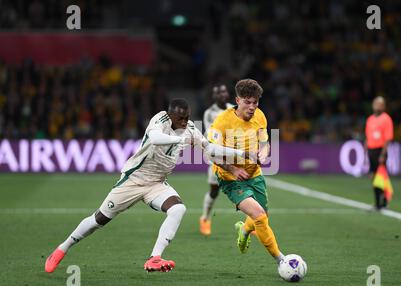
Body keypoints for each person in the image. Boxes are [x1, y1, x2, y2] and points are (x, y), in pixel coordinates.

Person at [45, 99, 251, 273]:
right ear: (170, 116)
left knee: (178, 208)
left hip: (156, 184)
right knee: (98, 219)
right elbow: (154, 138)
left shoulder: (189, 129)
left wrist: (241, 154)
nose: (186, 121)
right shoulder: (160, 119)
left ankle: (155, 258)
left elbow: (210, 149)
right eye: (181, 118)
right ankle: (63, 247)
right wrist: (177, 139)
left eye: (187, 117)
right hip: (133, 180)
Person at [208, 79, 285, 265]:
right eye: (247, 102)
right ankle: (282, 261)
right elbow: (211, 154)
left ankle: (244, 230)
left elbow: (264, 142)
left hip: (254, 174)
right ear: (237, 100)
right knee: (259, 215)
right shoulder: (222, 122)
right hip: (230, 178)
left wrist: (264, 154)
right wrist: (233, 169)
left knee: (262, 215)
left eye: (255, 102)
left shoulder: (260, 116)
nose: (252, 107)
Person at [199, 84, 234, 236]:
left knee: (245, 187)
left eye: (224, 91)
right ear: (214, 96)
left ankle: (252, 221)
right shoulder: (209, 113)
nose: (222, 94)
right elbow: (212, 135)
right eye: (218, 92)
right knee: (214, 191)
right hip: (218, 157)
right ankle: (205, 219)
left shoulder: (234, 108)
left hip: (234, 155)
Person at [364, 96, 394, 210]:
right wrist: (365, 148)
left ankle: (382, 202)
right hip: (371, 151)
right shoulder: (370, 119)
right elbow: (368, 136)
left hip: (380, 150)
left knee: (380, 177)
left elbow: (388, 138)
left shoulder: (386, 119)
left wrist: (383, 154)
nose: (377, 105)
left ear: (383, 106)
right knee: (373, 176)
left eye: (380, 104)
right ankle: (380, 201)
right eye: (376, 103)